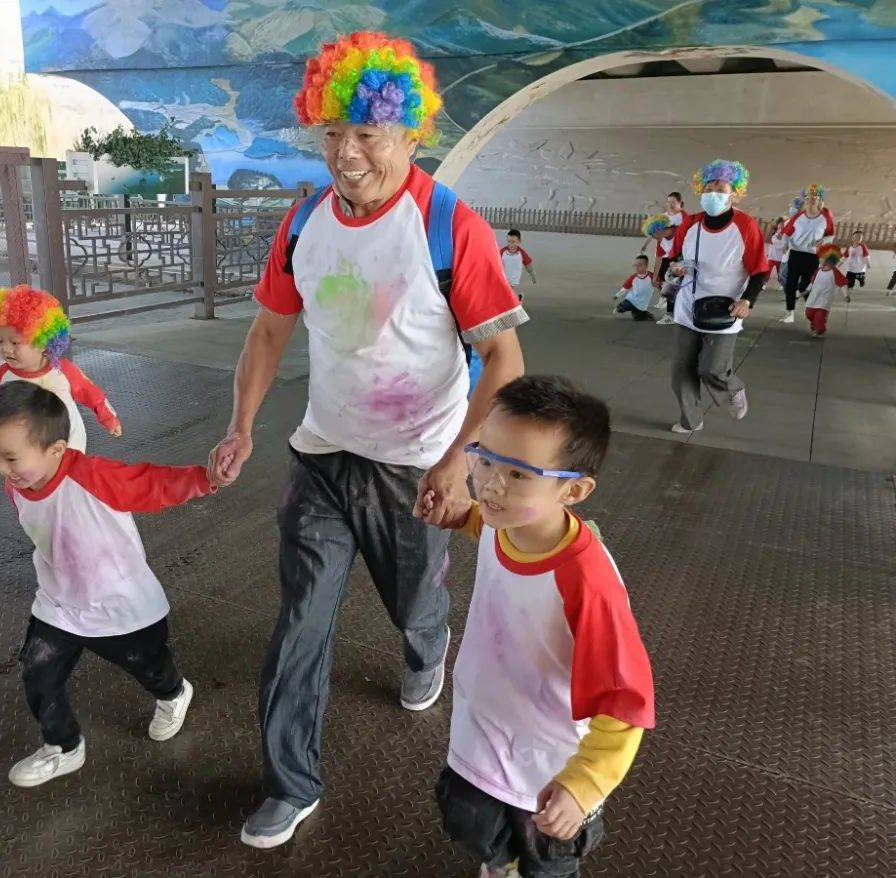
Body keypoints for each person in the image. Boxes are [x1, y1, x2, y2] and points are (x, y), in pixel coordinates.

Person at [206, 31, 526, 849]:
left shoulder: (449, 225)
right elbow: (268, 333)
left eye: (367, 134)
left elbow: (504, 359)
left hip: (417, 467)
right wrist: (241, 426)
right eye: (332, 133)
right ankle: (289, 782)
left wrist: (458, 460)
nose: (346, 155)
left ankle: (427, 642)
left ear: (411, 134)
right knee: (300, 621)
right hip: (321, 455)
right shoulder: (303, 221)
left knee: (413, 603)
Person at [428, 375, 655, 878]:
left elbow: (625, 697)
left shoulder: (587, 583)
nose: (491, 484)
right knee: (468, 816)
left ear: (573, 490)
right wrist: (463, 516)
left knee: (546, 855)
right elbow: (492, 527)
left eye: (518, 473)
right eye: (485, 458)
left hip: (549, 758)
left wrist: (585, 784)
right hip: (485, 725)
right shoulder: (506, 521)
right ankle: (502, 862)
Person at [0, 381, 214, 788]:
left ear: (56, 450)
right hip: (60, 601)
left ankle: (174, 693)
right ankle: (63, 746)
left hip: (121, 602)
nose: (1, 469)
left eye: (10, 458)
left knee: (148, 666)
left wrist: (207, 478)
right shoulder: (18, 484)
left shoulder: (91, 475)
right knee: (38, 670)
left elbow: (151, 483)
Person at [658, 159, 768, 434]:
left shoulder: (746, 226)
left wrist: (747, 301)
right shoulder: (691, 223)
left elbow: (760, 270)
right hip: (688, 305)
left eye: (720, 188)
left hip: (725, 309)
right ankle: (691, 420)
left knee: (712, 368)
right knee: (681, 370)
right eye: (708, 188)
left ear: (735, 194)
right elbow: (675, 256)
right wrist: (677, 267)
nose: (712, 193)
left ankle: (732, 389)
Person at [0, 285, 121, 471]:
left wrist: (109, 418)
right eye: (0, 341)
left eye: (15, 343)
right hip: (24, 455)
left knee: (67, 482)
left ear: (43, 343)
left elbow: (93, 394)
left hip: (69, 448)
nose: (6, 349)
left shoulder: (63, 372)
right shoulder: (0, 378)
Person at [780, 184, 835, 323]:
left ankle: (813, 312)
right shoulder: (798, 216)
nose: (812, 199)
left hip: (812, 256)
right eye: (809, 197)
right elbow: (786, 232)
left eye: (815, 196)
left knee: (806, 285)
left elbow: (831, 234)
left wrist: (824, 240)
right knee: (790, 284)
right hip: (796, 253)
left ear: (820, 199)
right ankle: (790, 312)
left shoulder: (825, 217)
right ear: (805, 199)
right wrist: (784, 244)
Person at [642, 193, 685, 325]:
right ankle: (670, 306)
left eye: (655, 235)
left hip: (682, 257)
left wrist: (675, 263)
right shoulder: (661, 237)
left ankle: (672, 314)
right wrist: (655, 276)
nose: (655, 238)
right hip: (671, 259)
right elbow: (659, 256)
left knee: (672, 282)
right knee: (666, 280)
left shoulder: (680, 229)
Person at [804, 244, 848, 338]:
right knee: (809, 313)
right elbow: (812, 282)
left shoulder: (835, 272)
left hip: (825, 299)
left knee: (820, 315)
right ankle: (815, 323)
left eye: (821, 257)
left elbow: (842, 284)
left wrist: (845, 295)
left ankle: (820, 330)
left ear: (828, 260)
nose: (819, 259)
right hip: (813, 297)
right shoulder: (818, 270)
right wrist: (806, 290)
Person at [612, 254, 656, 321]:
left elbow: (659, 285)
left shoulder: (652, 276)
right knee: (623, 307)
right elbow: (625, 288)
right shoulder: (633, 277)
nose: (637, 267)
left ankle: (644, 314)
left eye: (640, 265)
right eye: (635, 265)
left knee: (638, 319)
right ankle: (620, 307)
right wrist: (617, 295)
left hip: (642, 304)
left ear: (646, 266)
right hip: (631, 300)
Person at [500, 229, 537, 299]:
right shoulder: (502, 252)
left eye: (513, 242)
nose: (511, 244)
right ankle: (518, 298)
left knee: (507, 292)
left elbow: (528, 264)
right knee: (505, 293)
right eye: (509, 241)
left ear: (519, 241)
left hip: (514, 278)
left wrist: (532, 274)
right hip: (503, 277)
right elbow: (496, 262)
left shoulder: (521, 253)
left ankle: (516, 300)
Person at [765, 217, 788, 286]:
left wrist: (784, 245)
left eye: (783, 224)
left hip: (781, 258)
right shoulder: (773, 236)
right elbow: (779, 245)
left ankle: (782, 284)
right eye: (780, 224)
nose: (781, 226)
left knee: (780, 273)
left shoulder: (786, 236)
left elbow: (785, 245)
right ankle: (764, 283)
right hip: (771, 257)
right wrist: (784, 245)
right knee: (767, 271)